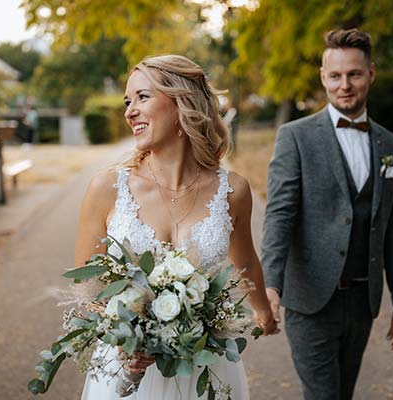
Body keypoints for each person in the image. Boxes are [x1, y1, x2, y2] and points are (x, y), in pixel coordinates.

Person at [74, 54, 279, 399]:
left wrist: (263, 311)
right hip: (126, 373)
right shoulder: (106, 189)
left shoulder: (233, 191)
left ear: (182, 102)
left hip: (205, 370)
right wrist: (125, 337)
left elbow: (244, 261)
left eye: (143, 97)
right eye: (127, 101)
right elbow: (85, 289)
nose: (129, 111)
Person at [262, 29, 393, 400]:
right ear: (323, 77)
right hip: (310, 301)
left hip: (362, 302)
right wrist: (271, 284)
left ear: (371, 74)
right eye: (335, 76)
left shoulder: (390, 144)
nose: (344, 85)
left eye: (354, 74)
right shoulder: (295, 136)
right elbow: (279, 214)